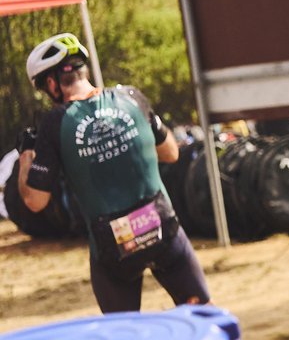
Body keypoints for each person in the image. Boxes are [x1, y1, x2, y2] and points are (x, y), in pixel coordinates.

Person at [17, 33, 210, 313]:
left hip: (113, 251)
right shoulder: (131, 97)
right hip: (163, 231)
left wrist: (26, 156)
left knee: (123, 339)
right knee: (207, 315)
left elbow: (35, 201)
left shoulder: (55, 123)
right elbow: (171, 153)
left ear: (51, 83)